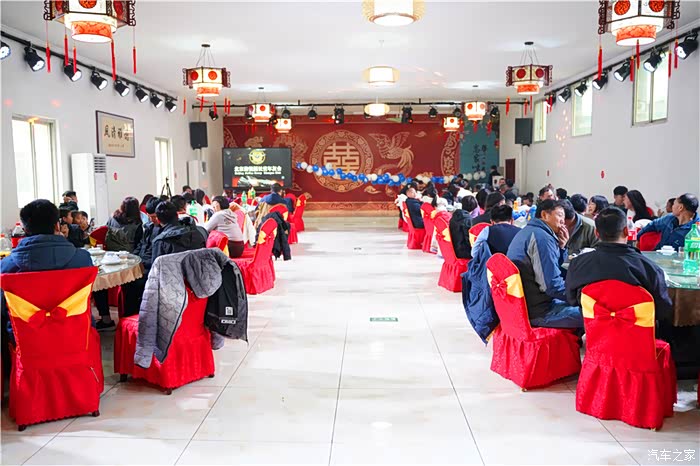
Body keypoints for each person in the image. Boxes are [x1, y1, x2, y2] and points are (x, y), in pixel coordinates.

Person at [566, 207, 673, 338]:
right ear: (627, 231)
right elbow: (663, 310)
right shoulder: (648, 268)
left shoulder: (578, 264)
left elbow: (572, 299)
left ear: (596, 233)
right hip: (638, 336)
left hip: (596, 334)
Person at [1, 200, 93, 339]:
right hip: (77, 336)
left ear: (25, 230)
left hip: (26, 341)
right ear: (57, 225)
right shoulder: (82, 259)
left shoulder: (6, 267)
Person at [507, 200, 582, 329]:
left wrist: (561, 247)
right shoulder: (542, 238)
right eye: (559, 215)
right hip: (540, 311)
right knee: (596, 315)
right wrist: (580, 297)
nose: (563, 222)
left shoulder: (529, 231)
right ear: (544, 215)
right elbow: (550, 286)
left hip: (527, 304)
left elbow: (550, 271)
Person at [151, 201, 207, 266]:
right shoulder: (198, 233)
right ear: (177, 215)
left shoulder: (160, 242)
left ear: (158, 220)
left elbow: (156, 268)